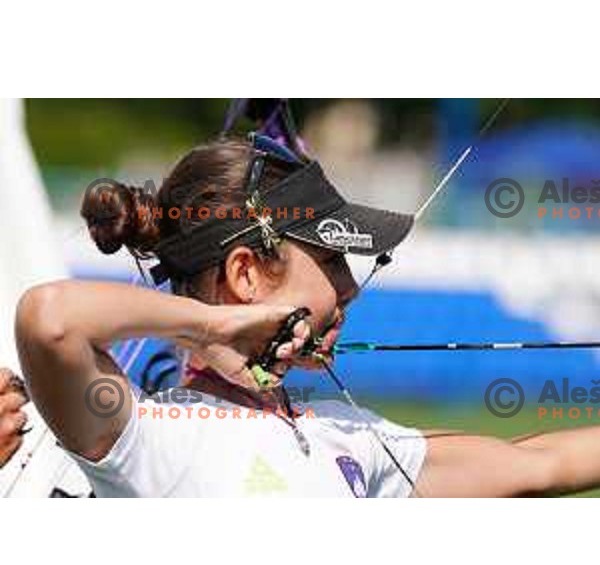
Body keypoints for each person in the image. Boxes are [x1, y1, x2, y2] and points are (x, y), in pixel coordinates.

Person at [14, 137, 600, 497]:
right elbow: (50, 317)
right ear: (245, 275)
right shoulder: (144, 430)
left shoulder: (350, 438)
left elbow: (541, 463)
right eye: (329, 259)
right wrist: (215, 326)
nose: (350, 285)